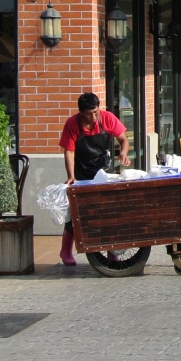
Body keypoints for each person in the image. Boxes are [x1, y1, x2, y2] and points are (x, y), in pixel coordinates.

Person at [58, 92, 131, 266]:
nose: (93, 117)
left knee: (108, 211)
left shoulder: (107, 118)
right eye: (89, 114)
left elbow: (124, 140)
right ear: (81, 112)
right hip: (81, 171)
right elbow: (69, 151)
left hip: (103, 170)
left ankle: (111, 251)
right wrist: (71, 176)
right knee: (76, 212)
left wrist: (123, 153)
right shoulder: (72, 124)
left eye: (96, 112)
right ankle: (66, 250)